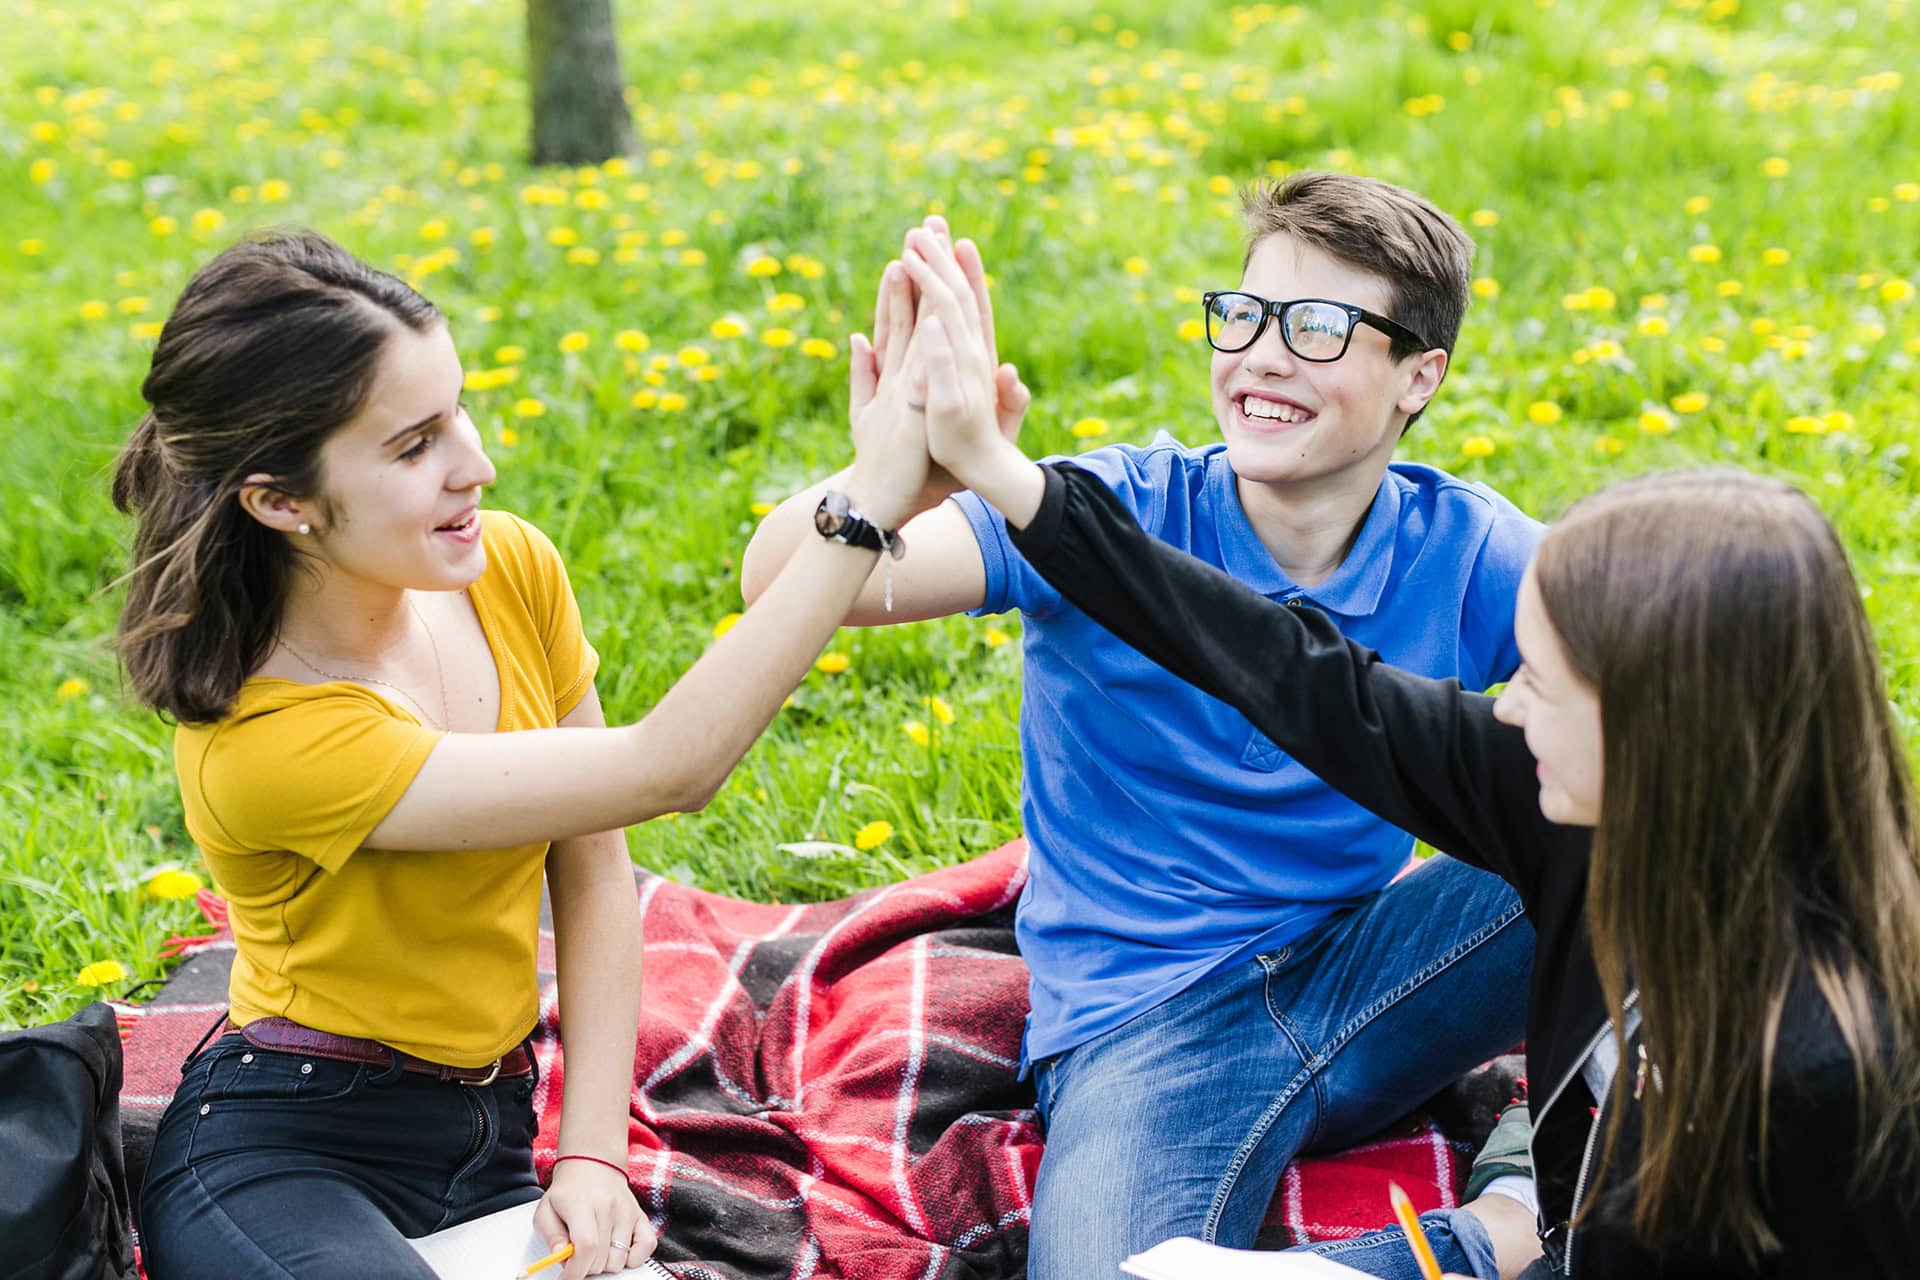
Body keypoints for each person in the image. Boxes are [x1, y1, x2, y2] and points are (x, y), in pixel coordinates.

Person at [900, 226, 1920, 1275]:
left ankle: (1517, 1207)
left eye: (1540, 680)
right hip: (1157, 1023)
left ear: (1667, 723)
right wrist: (1000, 476)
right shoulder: (1565, 811)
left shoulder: (1821, 1070)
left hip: (1520, 1113)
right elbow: (1303, 675)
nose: (1507, 708)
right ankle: (1521, 1195)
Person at [742, 174, 1541, 1277]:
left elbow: (1666, 685)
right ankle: (1473, 1249)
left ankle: (1527, 1184)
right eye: (1244, 315)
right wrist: (897, 481)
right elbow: (774, 574)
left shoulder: (1467, 547)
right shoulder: (1100, 510)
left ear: (1420, 374)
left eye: (1317, 329)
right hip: (1147, 1027)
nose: (1261, 355)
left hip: (1374, 973)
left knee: (1667, 830)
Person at [116, 231, 939, 1279]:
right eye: (413, 446)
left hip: (492, 1131)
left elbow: (596, 866)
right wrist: (858, 513)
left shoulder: (507, 567)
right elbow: (669, 767)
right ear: (281, 501)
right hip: (289, 1151)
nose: (477, 461)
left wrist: (591, 1150)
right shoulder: (270, 740)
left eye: (456, 407)